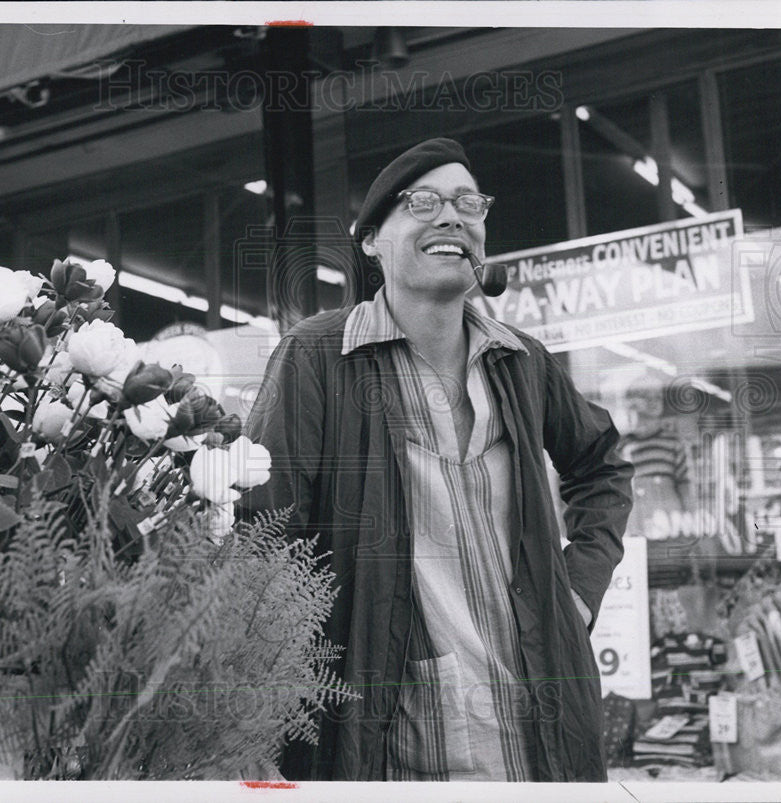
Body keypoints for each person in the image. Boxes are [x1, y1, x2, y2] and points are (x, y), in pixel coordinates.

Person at [241, 138, 633, 782]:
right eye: (422, 202)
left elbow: (603, 464)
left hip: (542, 733)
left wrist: (578, 591)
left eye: (469, 203)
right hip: (394, 741)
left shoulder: (523, 361)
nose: (452, 216)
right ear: (371, 240)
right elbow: (263, 537)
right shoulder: (317, 358)